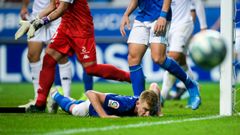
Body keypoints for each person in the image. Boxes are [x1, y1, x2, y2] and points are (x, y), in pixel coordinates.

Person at [24, 0, 131, 112]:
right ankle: (40, 103)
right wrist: (32, 21)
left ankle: (129, 77)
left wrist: (42, 21)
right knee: (49, 59)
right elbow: (52, 6)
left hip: (81, 28)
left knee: (91, 69)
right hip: (65, 26)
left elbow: (62, 8)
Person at [120, 0, 201, 110]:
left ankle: (190, 84)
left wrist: (163, 15)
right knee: (133, 58)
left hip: (160, 16)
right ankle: (140, 103)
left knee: (158, 58)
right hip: (142, 16)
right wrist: (126, 14)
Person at [16, 0, 72, 108]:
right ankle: (38, 98)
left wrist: (34, 21)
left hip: (56, 16)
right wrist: (24, 7)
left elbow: (52, 6)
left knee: (61, 56)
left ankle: (67, 97)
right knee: (32, 55)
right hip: (38, 14)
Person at [161, 0, 207, 104]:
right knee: (181, 62)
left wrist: (203, 27)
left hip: (183, 25)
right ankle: (195, 89)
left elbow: (197, 3)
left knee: (173, 58)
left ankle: (162, 96)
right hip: (168, 26)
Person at [48, 82, 161, 117]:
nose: (147, 114)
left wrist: (159, 111)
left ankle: (68, 98)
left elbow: (154, 86)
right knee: (75, 110)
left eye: (149, 111)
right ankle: (55, 94)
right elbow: (90, 93)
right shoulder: (122, 105)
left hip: (106, 100)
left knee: (78, 103)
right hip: (94, 107)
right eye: (145, 110)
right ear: (137, 103)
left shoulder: (146, 102)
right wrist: (104, 116)